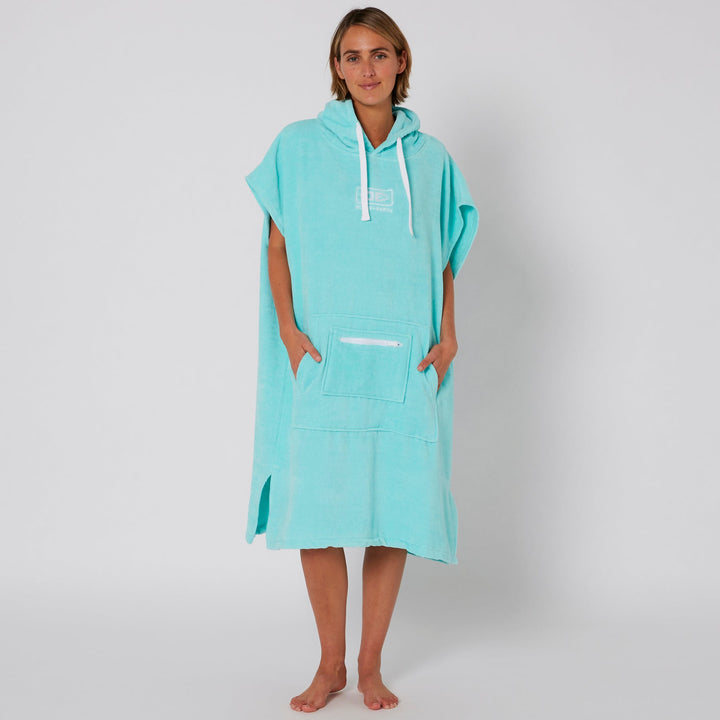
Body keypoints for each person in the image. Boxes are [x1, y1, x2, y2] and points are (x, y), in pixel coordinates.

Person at [244, 6, 479, 712]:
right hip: (323, 353)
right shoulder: (298, 146)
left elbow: (443, 257)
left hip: (406, 358)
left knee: (394, 509)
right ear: (337, 67)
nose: (367, 68)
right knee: (316, 510)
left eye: (380, 54)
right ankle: (330, 665)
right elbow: (278, 244)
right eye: (352, 56)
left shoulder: (431, 159)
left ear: (401, 61)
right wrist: (289, 332)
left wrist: (449, 334)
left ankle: (370, 665)